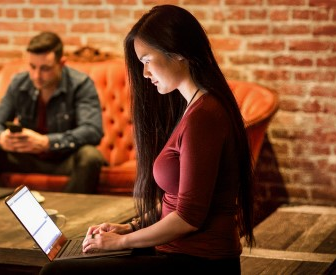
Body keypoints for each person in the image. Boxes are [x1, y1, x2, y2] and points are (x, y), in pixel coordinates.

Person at [39, 5, 256, 274]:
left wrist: (121, 242)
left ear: (178, 53)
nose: (145, 74)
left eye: (147, 60)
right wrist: (130, 226)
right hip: (178, 253)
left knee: (55, 272)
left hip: (198, 263)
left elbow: (188, 217)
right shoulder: (193, 107)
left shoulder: (205, 115)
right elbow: (174, 199)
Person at [0, 31, 105, 194]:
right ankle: (1, 208)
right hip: (26, 157)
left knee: (91, 157)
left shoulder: (81, 84)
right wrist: (1, 138)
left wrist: (47, 142)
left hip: (64, 159)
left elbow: (92, 131)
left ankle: (69, 212)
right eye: (32, 67)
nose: (36, 76)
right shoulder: (19, 82)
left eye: (45, 69)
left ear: (61, 63)